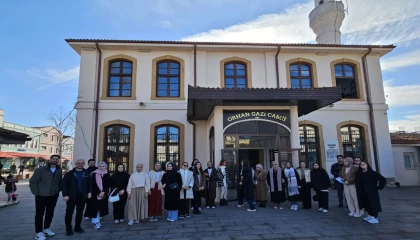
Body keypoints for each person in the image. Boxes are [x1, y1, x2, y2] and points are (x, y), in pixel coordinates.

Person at [29, 154, 62, 240]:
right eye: (53, 159)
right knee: (39, 214)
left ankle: (46, 228)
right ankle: (38, 232)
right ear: (50, 160)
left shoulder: (59, 170)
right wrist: (36, 192)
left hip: (53, 195)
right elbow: (33, 181)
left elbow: (59, 181)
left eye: (57, 159)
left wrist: (58, 190)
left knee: (50, 212)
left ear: (58, 161)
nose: (55, 160)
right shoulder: (40, 170)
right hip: (41, 195)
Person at [61, 159, 92, 236]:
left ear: (84, 164)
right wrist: (65, 195)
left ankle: (77, 227)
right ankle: (68, 229)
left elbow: (90, 183)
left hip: (82, 196)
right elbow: (64, 185)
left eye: (82, 163)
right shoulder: (69, 174)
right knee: (69, 213)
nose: (80, 164)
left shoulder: (87, 173)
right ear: (75, 164)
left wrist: (89, 192)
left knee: (80, 213)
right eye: (78, 163)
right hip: (71, 197)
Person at [85, 162, 110, 229]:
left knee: (100, 208)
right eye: (100, 166)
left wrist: (104, 192)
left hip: (103, 194)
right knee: (94, 208)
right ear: (98, 167)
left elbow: (107, 184)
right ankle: (94, 222)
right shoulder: (94, 174)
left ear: (105, 167)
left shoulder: (107, 174)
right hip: (95, 194)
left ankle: (98, 221)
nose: (102, 167)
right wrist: (99, 193)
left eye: (103, 166)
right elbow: (93, 184)